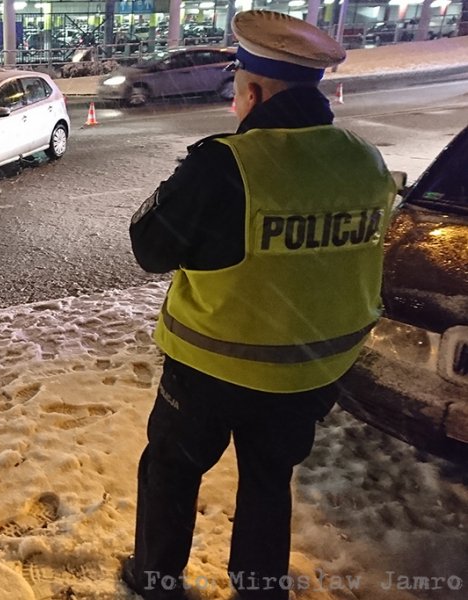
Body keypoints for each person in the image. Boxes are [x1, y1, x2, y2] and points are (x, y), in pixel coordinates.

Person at [123, 10, 397, 600]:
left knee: (172, 469)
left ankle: (154, 579)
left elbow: (150, 246)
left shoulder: (227, 163)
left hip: (214, 366)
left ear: (252, 90)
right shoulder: (364, 158)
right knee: (270, 480)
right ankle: (258, 587)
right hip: (311, 370)